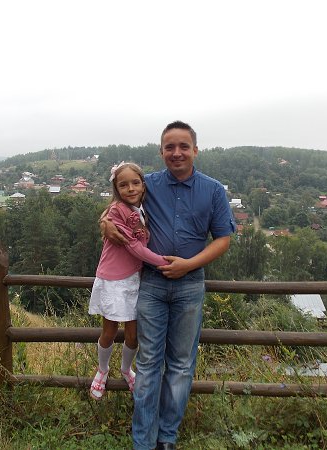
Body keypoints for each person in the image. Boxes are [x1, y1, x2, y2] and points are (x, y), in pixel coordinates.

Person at [102, 121, 236, 450]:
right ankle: (143, 441)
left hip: (190, 285)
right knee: (148, 363)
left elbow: (223, 239)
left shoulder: (213, 190)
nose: (177, 153)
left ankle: (167, 437)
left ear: (195, 150)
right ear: (161, 151)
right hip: (151, 284)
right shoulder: (146, 184)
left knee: (180, 364)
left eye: (183, 146)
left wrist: (188, 264)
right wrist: (104, 222)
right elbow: (118, 204)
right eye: (169, 147)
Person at [89, 162, 169, 400]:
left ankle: (126, 369)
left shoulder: (143, 208)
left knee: (133, 335)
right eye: (123, 185)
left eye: (135, 183)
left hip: (135, 279)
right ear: (116, 189)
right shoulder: (116, 211)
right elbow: (134, 247)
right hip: (113, 280)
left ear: (143, 185)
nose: (131, 188)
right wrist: (165, 262)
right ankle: (102, 370)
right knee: (110, 331)